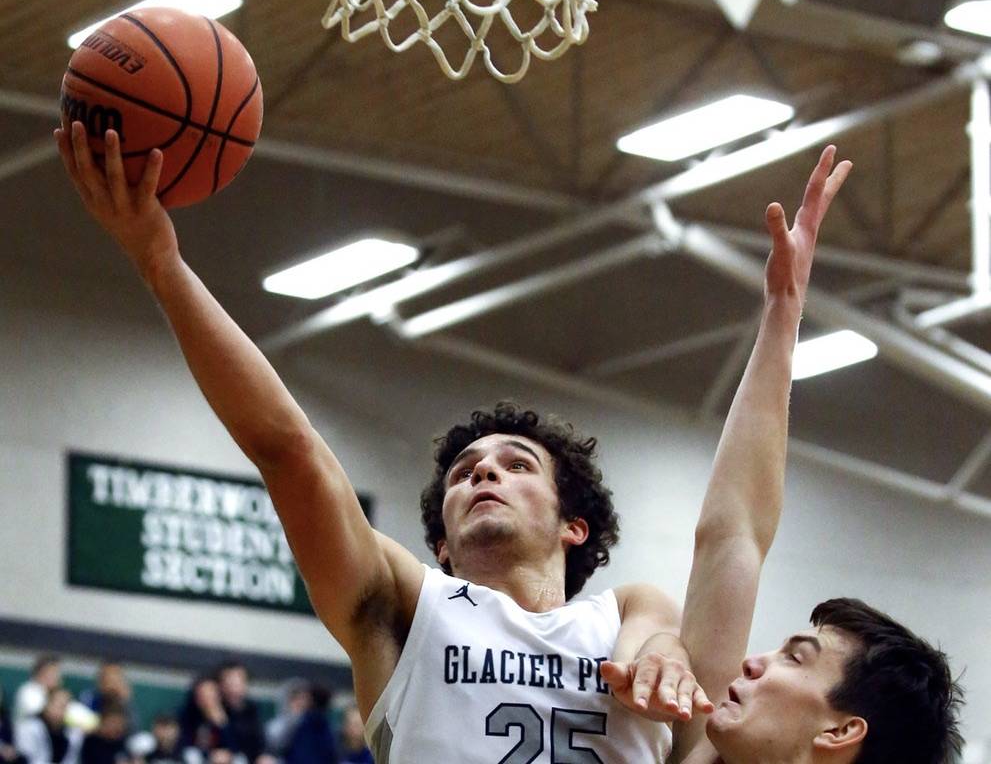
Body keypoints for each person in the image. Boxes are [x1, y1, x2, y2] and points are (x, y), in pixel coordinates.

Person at [55, 122, 709, 763]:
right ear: (440, 545)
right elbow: (289, 451)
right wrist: (160, 263)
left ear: (573, 525)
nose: (484, 475)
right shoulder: (405, 603)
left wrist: (663, 652)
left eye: (516, 465)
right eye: (463, 473)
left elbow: (664, 618)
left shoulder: (622, 612)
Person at [601, 147, 965, 764]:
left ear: (840, 731)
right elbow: (733, 532)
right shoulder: (706, 749)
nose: (752, 658)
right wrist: (783, 310)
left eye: (795, 658)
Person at [214, 663, 268, 764]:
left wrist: (264, 756)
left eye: (238, 683)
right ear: (221, 685)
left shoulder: (252, 709)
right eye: (229, 683)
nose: (233, 688)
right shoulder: (216, 707)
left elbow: (260, 743)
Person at [14, 688, 83, 764]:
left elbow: (71, 760)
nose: (60, 710)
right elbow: (27, 759)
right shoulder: (29, 727)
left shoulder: (73, 732)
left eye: (65, 706)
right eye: (57, 705)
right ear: (46, 704)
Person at [13, 656, 61, 724]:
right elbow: (35, 710)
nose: (58, 677)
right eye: (54, 673)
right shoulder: (27, 690)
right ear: (42, 672)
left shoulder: (55, 693)